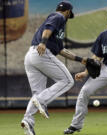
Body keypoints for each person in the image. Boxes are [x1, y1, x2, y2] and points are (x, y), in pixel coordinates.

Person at [20, 1, 88, 135]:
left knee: (38, 93)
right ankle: (40, 101)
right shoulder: (59, 17)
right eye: (69, 14)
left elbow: (61, 50)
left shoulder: (57, 30)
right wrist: (43, 42)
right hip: (41, 53)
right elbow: (48, 28)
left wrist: (81, 60)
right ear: (68, 12)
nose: (69, 17)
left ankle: (27, 121)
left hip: (31, 57)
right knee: (68, 81)